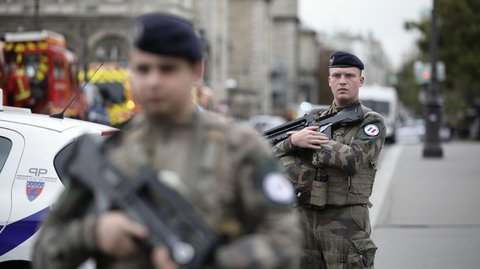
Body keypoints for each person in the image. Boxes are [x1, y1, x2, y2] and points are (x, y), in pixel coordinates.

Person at [33, 13, 300, 269]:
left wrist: (210, 262)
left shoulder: (240, 147)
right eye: (143, 69)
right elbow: (43, 254)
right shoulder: (109, 151)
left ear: (196, 70)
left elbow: (285, 243)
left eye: (167, 69)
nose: (153, 81)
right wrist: (93, 233)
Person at [272, 52, 386, 269]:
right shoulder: (314, 118)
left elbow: (353, 159)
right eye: (336, 75)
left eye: (349, 76)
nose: (342, 81)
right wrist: (294, 141)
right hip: (305, 218)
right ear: (329, 81)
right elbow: (272, 156)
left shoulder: (371, 121)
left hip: (346, 221)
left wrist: (314, 140)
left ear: (360, 81)